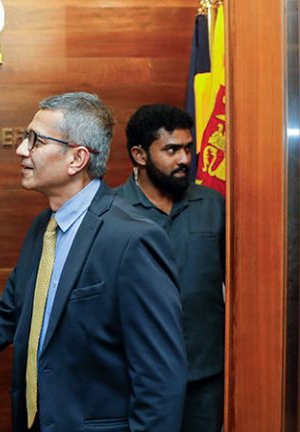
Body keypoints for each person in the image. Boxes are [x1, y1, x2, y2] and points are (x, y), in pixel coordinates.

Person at [0, 92, 187, 431]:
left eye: (35, 140)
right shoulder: (43, 228)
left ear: (77, 159)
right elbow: (6, 316)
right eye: (25, 138)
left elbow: (161, 379)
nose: (21, 149)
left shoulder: (132, 239)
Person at [115, 104, 225, 432]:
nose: (185, 160)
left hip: (205, 374)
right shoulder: (111, 212)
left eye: (189, 148)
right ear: (140, 155)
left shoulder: (212, 204)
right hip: (137, 375)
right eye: (171, 150)